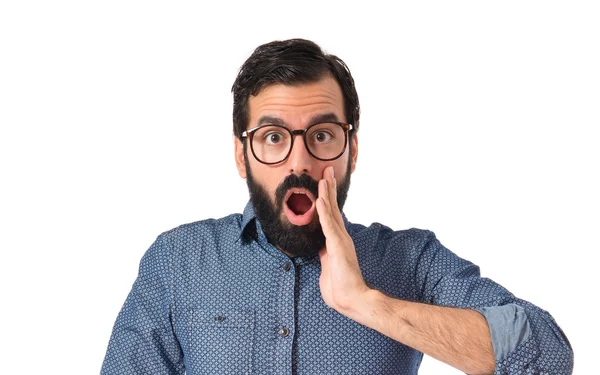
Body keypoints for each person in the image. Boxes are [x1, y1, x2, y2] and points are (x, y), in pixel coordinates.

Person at [100, 39, 573, 375]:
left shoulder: (411, 260)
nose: (299, 162)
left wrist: (367, 303)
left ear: (352, 151)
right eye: (272, 137)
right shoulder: (178, 261)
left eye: (323, 136)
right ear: (242, 155)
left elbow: (547, 356)